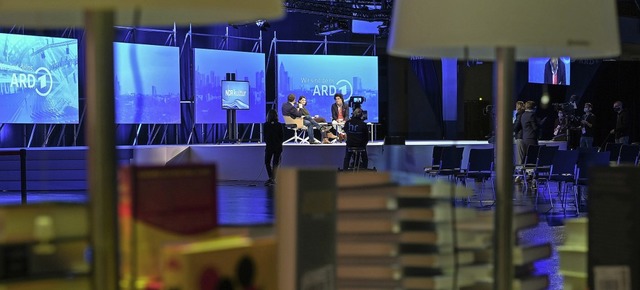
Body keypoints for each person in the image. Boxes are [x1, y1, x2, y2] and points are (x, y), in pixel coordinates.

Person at [263, 109, 283, 186]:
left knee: (267, 162)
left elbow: (265, 137)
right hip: (278, 147)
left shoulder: (266, 125)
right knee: (275, 163)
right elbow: (282, 136)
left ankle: (271, 178)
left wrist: (268, 142)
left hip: (269, 146)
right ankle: (273, 179)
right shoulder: (279, 125)